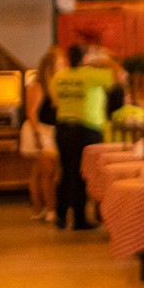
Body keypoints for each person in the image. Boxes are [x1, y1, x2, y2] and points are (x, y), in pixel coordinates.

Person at [52, 44, 120, 230]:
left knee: (67, 172)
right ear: (84, 58)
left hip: (63, 127)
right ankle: (79, 219)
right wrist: (108, 58)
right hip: (87, 128)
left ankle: (60, 215)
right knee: (82, 174)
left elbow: (55, 101)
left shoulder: (59, 76)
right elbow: (119, 77)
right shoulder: (91, 75)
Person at [19, 46, 65, 222]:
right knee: (47, 171)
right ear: (51, 66)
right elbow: (32, 111)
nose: (63, 65)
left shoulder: (54, 84)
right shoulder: (38, 85)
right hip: (40, 129)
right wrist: (37, 134)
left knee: (40, 171)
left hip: (46, 129)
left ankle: (40, 207)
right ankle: (49, 208)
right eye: (60, 62)